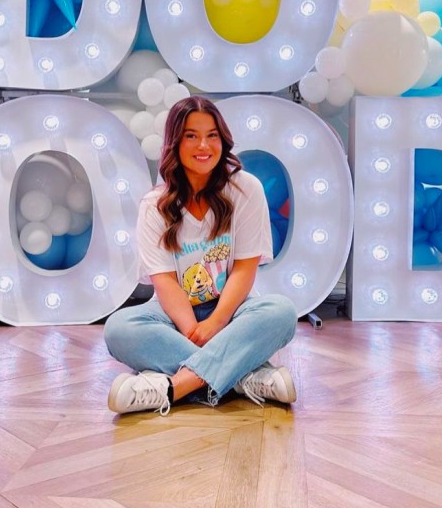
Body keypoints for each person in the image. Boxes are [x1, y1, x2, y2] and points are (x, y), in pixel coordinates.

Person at [104, 96, 298, 415]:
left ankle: (174, 387)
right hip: (173, 312)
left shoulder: (245, 189)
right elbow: (164, 281)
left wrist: (218, 322)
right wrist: (194, 328)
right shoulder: (155, 205)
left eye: (212, 135)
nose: (203, 145)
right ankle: (243, 376)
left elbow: (244, 269)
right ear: (174, 143)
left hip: (232, 307)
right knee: (119, 328)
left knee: (281, 312)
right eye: (191, 136)